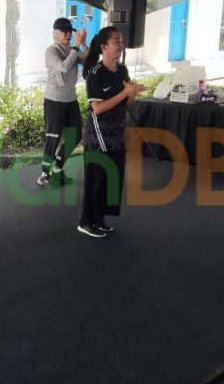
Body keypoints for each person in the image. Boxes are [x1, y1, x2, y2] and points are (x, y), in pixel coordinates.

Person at [78, 27, 146, 238]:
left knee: (112, 179)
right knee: (96, 179)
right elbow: (97, 108)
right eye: (116, 41)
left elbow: (128, 104)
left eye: (121, 41)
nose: (121, 45)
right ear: (104, 46)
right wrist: (124, 93)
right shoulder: (95, 73)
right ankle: (86, 222)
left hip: (117, 133)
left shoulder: (122, 70)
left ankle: (100, 219)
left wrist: (132, 93)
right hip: (98, 136)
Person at [37, 18, 88, 187]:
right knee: (53, 137)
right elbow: (64, 67)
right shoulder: (51, 51)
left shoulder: (71, 49)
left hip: (71, 99)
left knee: (76, 135)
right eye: (64, 32)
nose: (68, 35)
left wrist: (84, 44)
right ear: (56, 33)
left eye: (69, 32)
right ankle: (44, 175)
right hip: (54, 100)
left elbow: (87, 62)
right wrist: (76, 48)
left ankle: (57, 168)